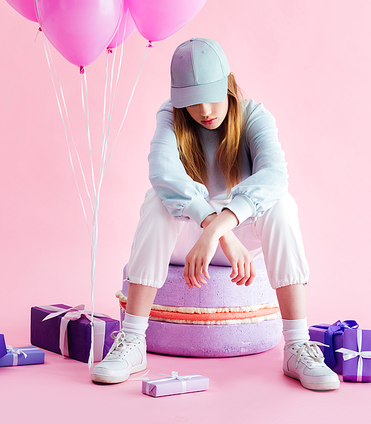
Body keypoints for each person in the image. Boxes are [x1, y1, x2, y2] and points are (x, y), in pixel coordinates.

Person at [91, 38, 339, 391]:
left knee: (282, 204)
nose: (204, 109)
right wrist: (212, 227)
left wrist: (221, 226)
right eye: (191, 101)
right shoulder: (170, 116)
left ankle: (297, 345)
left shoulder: (255, 115)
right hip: (189, 241)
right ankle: (132, 341)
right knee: (156, 201)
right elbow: (163, 173)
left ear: (229, 83)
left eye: (212, 95)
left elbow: (274, 177)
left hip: (242, 243)